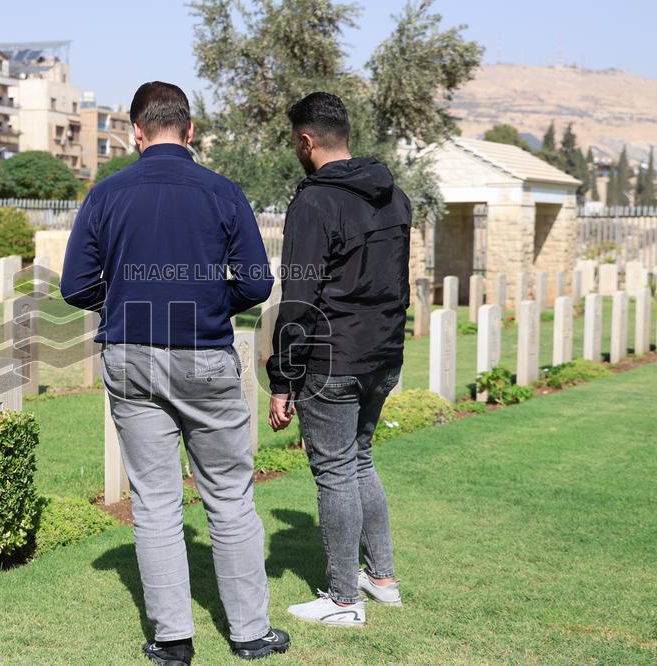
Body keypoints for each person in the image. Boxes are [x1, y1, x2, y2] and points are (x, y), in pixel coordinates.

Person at [60, 81, 290, 665]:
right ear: (189, 131)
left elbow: (75, 286)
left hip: (131, 355)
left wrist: (124, 300)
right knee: (230, 496)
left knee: (156, 501)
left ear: (136, 132)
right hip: (205, 352)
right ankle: (250, 634)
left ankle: (172, 640)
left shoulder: (106, 193)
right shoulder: (221, 191)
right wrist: (212, 301)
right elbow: (258, 283)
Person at [266, 91, 412, 627]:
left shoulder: (314, 202)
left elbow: (298, 300)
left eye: (294, 143)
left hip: (335, 359)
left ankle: (343, 600)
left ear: (307, 141)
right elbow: (401, 284)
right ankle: (383, 580)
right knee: (359, 460)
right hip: (383, 355)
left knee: (333, 473)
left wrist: (281, 378)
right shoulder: (394, 195)